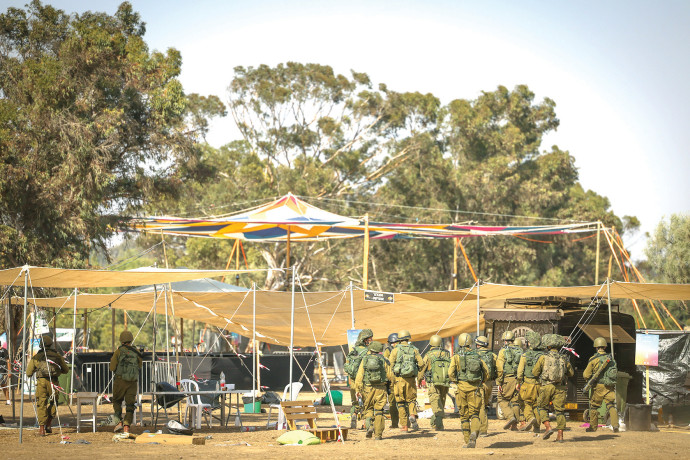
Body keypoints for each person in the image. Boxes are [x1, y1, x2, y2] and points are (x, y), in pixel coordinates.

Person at [449, 333, 489, 448]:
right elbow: (486, 372)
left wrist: (457, 381)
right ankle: (474, 434)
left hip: (461, 389)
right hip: (475, 389)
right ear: (471, 343)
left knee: (464, 416)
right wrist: (480, 382)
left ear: (460, 343)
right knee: (475, 414)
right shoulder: (477, 356)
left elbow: (450, 373)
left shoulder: (456, 357)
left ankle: (467, 441)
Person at [532, 334, 574, 442]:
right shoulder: (564, 358)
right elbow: (571, 373)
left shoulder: (543, 357)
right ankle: (560, 435)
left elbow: (535, 372)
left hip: (546, 386)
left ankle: (548, 427)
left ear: (548, 346)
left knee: (541, 407)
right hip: (560, 388)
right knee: (560, 411)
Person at [26, 335, 69, 436]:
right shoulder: (57, 356)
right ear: (51, 344)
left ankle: (41, 429)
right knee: (54, 402)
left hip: (41, 382)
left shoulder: (37, 357)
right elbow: (66, 370)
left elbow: (28, 373)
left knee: (41, 404)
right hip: (53, 382)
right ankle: (49, 424)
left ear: (41, 345)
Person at [354, 341, 393, 440]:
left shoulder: (365, 359)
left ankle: (369, 427)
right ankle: (378, 435)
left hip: (367, 388)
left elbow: (359, 375)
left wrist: (357, 389)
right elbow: (390, 375)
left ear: (370, 349)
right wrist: (391, 386)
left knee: (368, 409)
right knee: (379, 410)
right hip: (381, 388)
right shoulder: (384, 359)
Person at [388, 329, 424, 432]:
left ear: (399, 339)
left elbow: (390, 364)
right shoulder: (414, 349)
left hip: (399, 380)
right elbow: (421, 364)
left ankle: (404, 426)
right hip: (411, 380)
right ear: (408, 338)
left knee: (400, 403)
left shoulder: (395, 350)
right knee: (411, 400)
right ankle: (412, 415)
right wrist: (418, 374)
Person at [583, 337, 619, 433]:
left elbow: (586, 375)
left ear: (596, 347)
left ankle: (593, 427)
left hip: (598, 387)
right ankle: (615, 425)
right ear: (605, 346)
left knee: (594, 407)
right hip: (609, 386)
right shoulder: (612, 360)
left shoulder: (593, 359)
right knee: (611, 406)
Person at [110, 330, 143, 433]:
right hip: (132, 382)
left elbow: (112, 367)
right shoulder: (136, 352)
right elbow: (140, 365)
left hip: (120, 380)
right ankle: (127, 426)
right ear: (131, 339)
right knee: (130, 405)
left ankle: (119, 422)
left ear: (121, 340)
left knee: (116, 401)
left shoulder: (118, 352)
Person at [345, 328, 373, 429]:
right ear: (365, 339)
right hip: (363, 380)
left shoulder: (353, 351)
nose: (371, 340)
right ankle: (365, 424)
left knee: (355, 402)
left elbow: (347, 365)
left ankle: (354, 415)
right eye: (369, 339)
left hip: (353, 380)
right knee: (366, 402)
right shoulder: (368, 351)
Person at [422, 335, 451, 430]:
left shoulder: (428, 355)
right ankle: (435, 422)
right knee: (441, 401)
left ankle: (438, 423)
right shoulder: (446, 353)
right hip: (445, 381)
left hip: (433, 382)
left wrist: (418, 380)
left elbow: (422, 368)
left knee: (435, 401)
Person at [517, 331, 544, 433]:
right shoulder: (543, 355)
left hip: (527, 384)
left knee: (525, 403)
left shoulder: (525, 355)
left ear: (530, 343)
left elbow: (520, 372)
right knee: (537, 405)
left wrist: (518, 382)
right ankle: (537, 427)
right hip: (539, 384)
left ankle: (530, 417)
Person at [496, 330, 522, 430]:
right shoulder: (520, 351)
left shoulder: (503, 351)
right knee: (515, 401)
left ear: (505, 341)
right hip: (517, 380)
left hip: (507, 379)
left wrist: (499, 382)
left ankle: (510, 418)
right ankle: (515, 426)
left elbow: (500, 368)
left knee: (501, 399)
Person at [475, 335, 497, 436]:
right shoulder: (492, 355)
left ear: (478, 344)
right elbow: (499, 369)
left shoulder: (474, 354)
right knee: (485, 404)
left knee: (481, 406)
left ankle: (483, 430)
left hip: (479, 383)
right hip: (489, 383)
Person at [383, 333, 399, 428]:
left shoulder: (388, 351)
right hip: (403, 379)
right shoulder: (404, 350)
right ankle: (407, 423)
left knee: (393, 402)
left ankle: (394, 423)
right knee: (404, 401)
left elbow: (385, 364)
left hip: (392, 379)